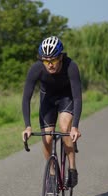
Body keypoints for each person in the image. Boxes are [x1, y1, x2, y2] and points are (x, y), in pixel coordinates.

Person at [21, 36, 82, 187]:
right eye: (46, 61)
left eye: (53, 60)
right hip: (47, 100)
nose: (50, 65)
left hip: (66, 98)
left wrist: (75, 127)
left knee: (64, 127)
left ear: (60, 57)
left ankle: (72, 168)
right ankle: (52, 173)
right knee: (47, 139)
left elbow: (77, 98)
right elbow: (26, 98)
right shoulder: (36, 68)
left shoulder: (71, 66)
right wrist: (28, 126)